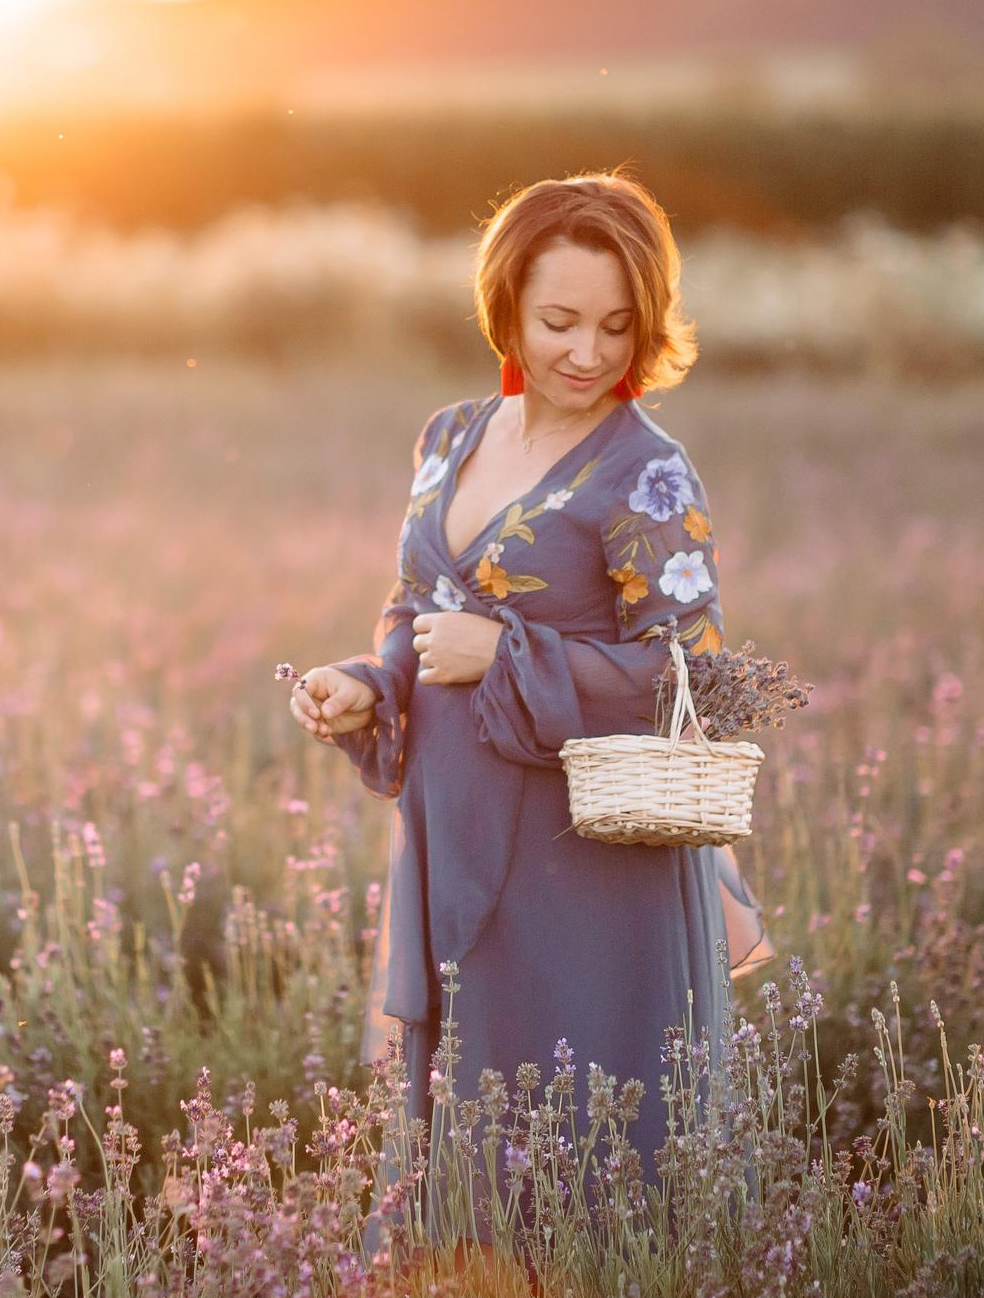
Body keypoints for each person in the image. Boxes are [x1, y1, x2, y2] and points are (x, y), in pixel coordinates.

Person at [289, 172, 772, 1233]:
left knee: (584, 1134)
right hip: (451, 836)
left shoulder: (648, 473)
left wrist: (507, 651)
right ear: (505, 304)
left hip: (587, 868)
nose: (587, 354)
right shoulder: (450, 436)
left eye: (615, 325)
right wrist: (367, 688)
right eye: (558, 321)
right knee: (463, 1121)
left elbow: (695, 683)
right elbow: (417, 609)